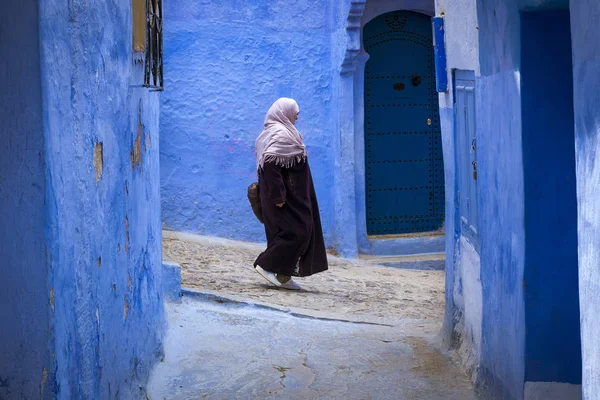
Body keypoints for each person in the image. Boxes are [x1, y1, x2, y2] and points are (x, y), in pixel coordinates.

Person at [253, 98, 328, 290]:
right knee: (297, 232)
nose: (297, 116)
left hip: (292, 196)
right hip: (286, 198)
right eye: (295, 112)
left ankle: (283, 274)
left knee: (287, 232)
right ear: (284, 112)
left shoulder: (279, 133)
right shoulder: (281, 134)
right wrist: (278, 196)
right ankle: (266, 264)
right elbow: (270, 165)